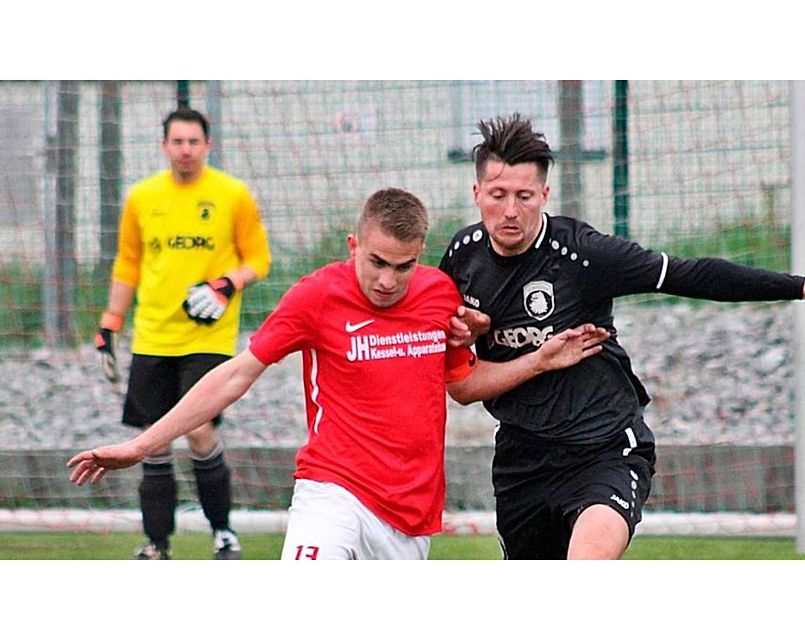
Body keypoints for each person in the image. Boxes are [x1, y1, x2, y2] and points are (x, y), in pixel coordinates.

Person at [440, 113, 805, 560]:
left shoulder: (582, 255)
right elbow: (461, 386)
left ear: (545, 194)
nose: (511, 211)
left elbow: (692, 274)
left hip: (603, 449)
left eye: (524, 196)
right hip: (522, 459)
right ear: (477, 193)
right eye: (498, 195)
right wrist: (530, 355)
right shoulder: (462, 260)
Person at [72, 187, 610, 560]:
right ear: (355, 246)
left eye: (403, 266)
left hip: (411, 514)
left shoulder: (438, 295)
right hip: (334, 491)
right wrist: (143, 445)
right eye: (376, 261)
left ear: (419, 257)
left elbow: (464, 388)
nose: (387, 281)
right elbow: (236, 375)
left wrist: (538, 359)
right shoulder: (315, 296)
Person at [92, 107, 272, 560]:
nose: (186, 150)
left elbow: (258, 259)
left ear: (207, 145)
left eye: (194, 142)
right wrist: (111, 321)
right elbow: (128, 264)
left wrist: (228, 283)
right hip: (152, 336)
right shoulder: (142, 197)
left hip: (207, 338)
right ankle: (157, 542)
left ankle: (223, 532)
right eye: (178, 142)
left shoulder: (231, 194)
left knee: (199, 431)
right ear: (164, 146)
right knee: (152, 439)